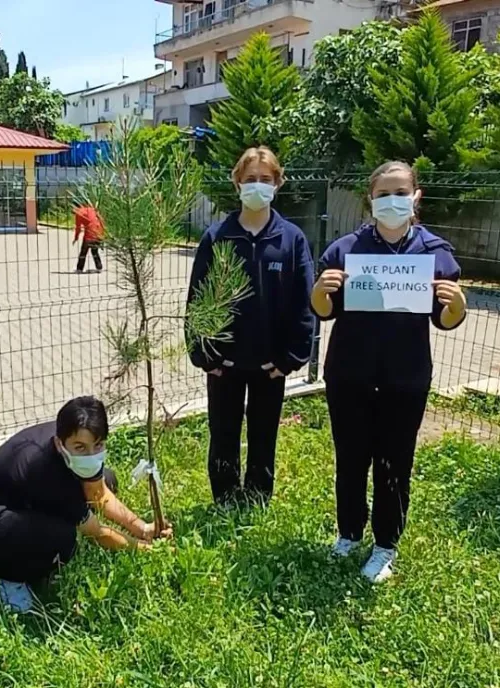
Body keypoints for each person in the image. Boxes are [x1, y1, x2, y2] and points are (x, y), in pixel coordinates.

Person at [311, 160, 466, 583]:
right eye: (383, 194)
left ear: (416, 197)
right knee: (351, 457)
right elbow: (324, 313)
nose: (392, 200)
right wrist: (320, 292)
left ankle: (385, 546)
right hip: (349, 374)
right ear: (370, 199)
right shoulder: (345, 250)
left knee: (395, 463)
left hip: (405, 378)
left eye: (401, 192)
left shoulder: (435, 253)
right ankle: (348, 534)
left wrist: (458, 304)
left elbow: (444, 320)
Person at [0, 396, 171, 613]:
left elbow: (99, 494)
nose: (90, 455)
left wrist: (142, 528)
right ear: (60, 443)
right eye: (80, 448)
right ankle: (8, 577)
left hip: (17, 497)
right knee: (62, 537)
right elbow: (96, 533)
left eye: (97, 445)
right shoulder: (45, 471)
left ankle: (27, 546)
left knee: (106, 478)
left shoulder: (71, 444)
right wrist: (144, 549)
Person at [186, 146, 315, 506]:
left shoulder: (291, 240)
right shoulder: (217, 237)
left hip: (270, 366)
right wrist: (204, 355)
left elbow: (304, 303)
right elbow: (198, 300)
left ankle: (258, 498)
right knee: (223, 432)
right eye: (250, 179)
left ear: (278, 183)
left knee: (263, 433)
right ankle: (225, 499)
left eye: (265, 179)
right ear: (237, 183)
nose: (257, 186)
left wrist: (290, 359)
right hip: (223, 365)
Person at [73, 204, 104, 273]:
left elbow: (78, 227)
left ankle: (79, 269)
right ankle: (99, 267)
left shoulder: (79, 212)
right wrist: (102, 234)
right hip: (98, 233)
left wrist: (76, 237)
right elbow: (101, 220)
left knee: (83, 252)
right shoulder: (92, 209)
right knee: (94, 251)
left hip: (89, 235)